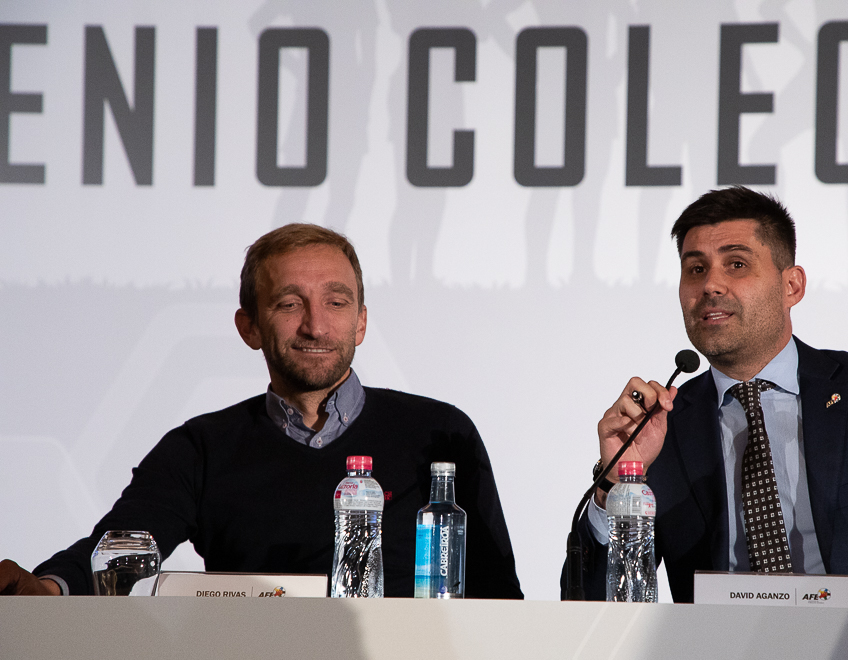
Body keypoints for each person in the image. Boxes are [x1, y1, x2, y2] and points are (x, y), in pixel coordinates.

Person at [0, 223, 522, 598]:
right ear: (248, 326)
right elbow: (121, 545)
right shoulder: (202, 447)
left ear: (361, 323)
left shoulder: (439, 433)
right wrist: (48, 588)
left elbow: (498, 596)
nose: (316, 326)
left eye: (336, 304)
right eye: (289, 304)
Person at [567, 186, 848, 610]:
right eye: (695, 268)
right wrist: (615, 484)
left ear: (792, 286)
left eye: (737, 264)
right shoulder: (660, 425)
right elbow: (587, 609)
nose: (711, 285)